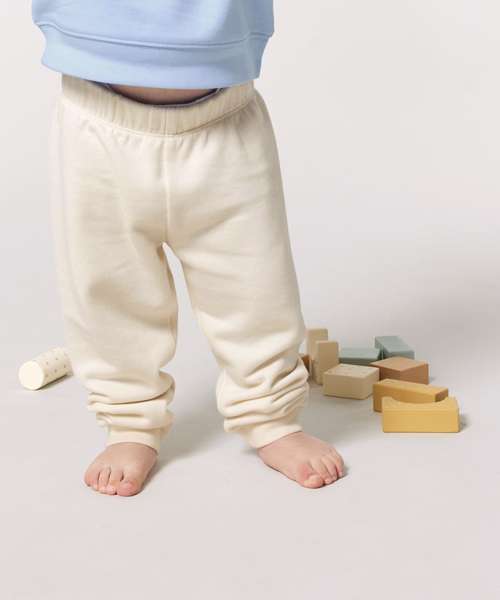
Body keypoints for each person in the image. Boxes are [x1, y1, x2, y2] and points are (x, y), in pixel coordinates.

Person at [32, 0, 345, 496]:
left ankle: (269, 414)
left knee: (255, 284)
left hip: (224, 118)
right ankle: (130, 421)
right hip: (96, 121)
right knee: (108, 286)